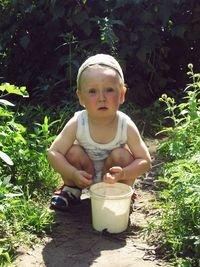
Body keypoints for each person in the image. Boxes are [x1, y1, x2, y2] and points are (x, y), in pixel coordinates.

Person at [47, 54, 151, 211]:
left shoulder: (125, 124)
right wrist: (73, 173)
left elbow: (145, 161)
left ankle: (120, 193)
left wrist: (123, 174)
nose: (101, 98)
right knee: (73, 152)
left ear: (122, 94)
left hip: (113, 178)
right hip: (82, 173)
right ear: (81, 97)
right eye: (92, 91)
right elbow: (53, 153)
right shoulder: (78, 122)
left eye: (109, 90)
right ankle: (71, 190)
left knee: (122, 155)